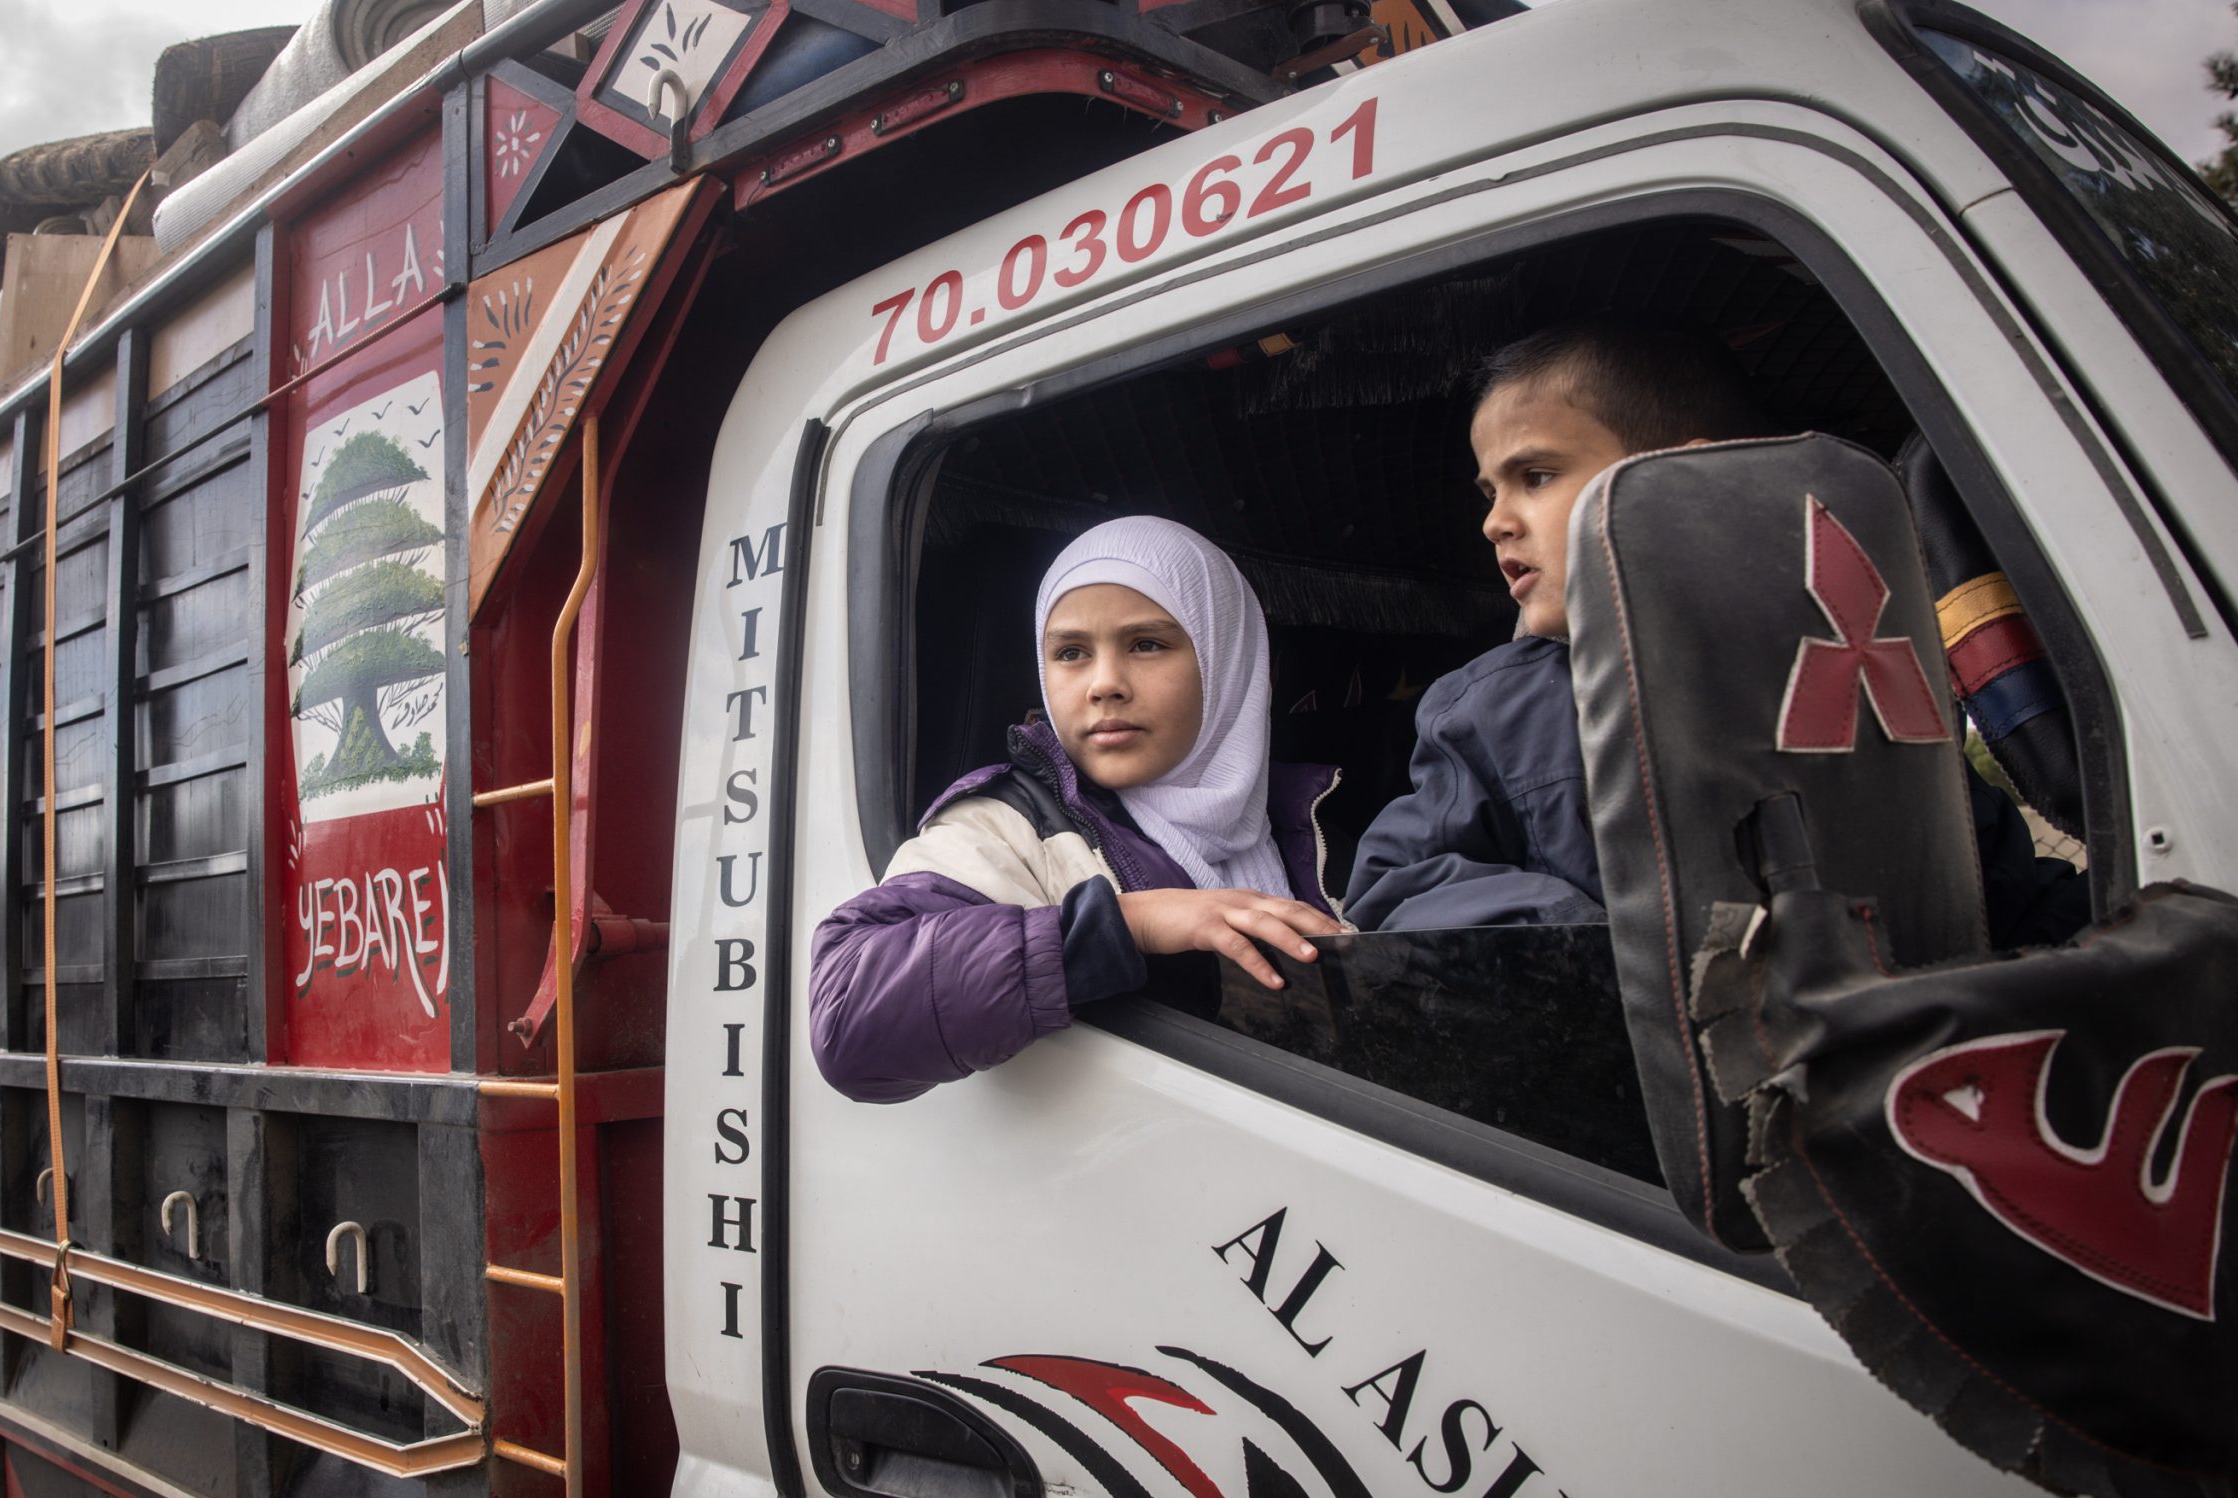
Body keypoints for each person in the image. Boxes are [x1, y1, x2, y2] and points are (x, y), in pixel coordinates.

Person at [1343, 318, 2082, 945]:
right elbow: (1396, 888)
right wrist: (1589, 945)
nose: (1493, 519)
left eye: (1534, 475)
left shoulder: (1863, 675)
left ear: (1683, 481)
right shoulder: (1489, 713)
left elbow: (1997, 893)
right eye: (1490, 490)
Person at [810, 516, 1348, 1103]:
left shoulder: (1317, 824)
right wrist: (1124, 925)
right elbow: (847, 1022)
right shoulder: (1007, 824)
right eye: (1070, 652)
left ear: (1229, 660)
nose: (1105, 684)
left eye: (1147, 644)